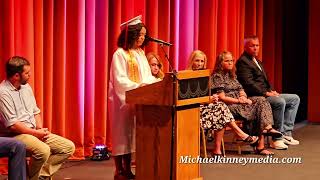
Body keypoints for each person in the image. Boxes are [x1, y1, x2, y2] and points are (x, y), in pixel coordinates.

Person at [0, 56, 75, 180]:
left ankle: (39, 176)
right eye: (27, 73)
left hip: (33, 131)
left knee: (68, 147)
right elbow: (13, 125)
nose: (30, 75)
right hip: (15, 135)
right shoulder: (3, 92)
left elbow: (35, 111)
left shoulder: (26, 87)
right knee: (43, 150)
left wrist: (40, 129)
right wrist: (35, 133)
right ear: (16, 76)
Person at [108, 15, 158, 180]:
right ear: (131, 35)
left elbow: (146, 76)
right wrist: (138, 87)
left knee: (131, 136)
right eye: (140, 35)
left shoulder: (140, 53)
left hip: (139, 99)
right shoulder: (120, 54)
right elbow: (119, 79)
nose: (142, 38)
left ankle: (128, 169)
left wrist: (155, 83)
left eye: (144, 35)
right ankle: (119, 170)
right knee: (122, 135)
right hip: (122, 102)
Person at [187, 50, 258, 156]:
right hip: (192, 111)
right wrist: (208, 99)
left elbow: (204, 96)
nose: (199, 64)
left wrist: (212, 98)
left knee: (221, 110)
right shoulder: (186, 75)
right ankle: (239, 135)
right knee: (221, 109)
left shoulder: (205, 76)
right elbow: (188, 99)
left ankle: (218, 150)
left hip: (206, 108)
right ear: (192, 61)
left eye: (202, 61)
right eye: (197, 60)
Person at [213, 50, 283, 155]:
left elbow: (241, 90)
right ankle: (260, 145)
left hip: (239, 103)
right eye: (227, 61)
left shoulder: (232, 75)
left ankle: (267, 129)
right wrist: (239, 101)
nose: (230, 63)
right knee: (257, 110)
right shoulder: (217, 76)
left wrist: (243, 97)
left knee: (261, 100)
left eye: (232, 60)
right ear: (220, 63)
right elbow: (222, 97)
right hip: (228, 106)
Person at [236, 35, 300, 150]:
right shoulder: (242, 62)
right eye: (252, 46)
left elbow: (264, 81)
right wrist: (266, 93)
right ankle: (276, 139)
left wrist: (271, 90)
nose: (255, 48)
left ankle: (286, 133)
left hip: (265, 93)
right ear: (245, 47)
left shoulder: (257, 61)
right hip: (255, 97)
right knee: (279, 101)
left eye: (257, 45)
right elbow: (249, 84)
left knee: (294, 98)